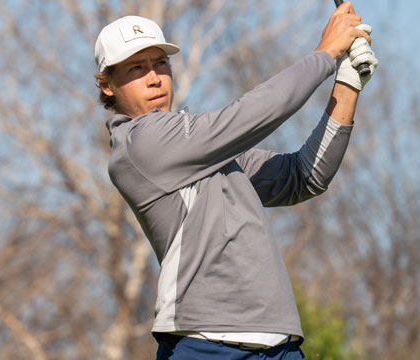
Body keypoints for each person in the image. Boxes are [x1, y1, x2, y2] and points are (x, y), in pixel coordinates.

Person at [94, 3, 377, 359]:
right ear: (106, 85)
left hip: (280, 346)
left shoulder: (201, 149)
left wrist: (348, 82)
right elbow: (251, 114)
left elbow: (304, 176)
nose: (154, 77)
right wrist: (324, 54)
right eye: (136, 68)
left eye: (160, 63)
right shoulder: (139, 143)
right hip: (204, 345)